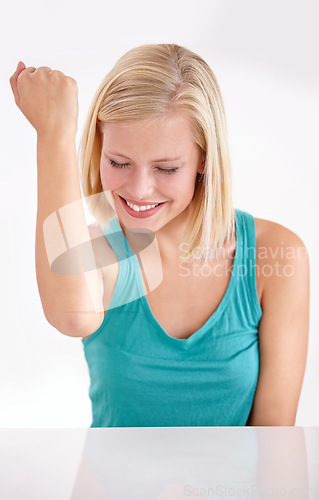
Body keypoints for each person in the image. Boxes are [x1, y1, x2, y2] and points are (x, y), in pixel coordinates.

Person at [10, 43, 310, 427]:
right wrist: (54, 133)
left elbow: (273, 443)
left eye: (166, 169)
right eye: (119, 162)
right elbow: (71, 315)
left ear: (204, 158)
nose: (138, 190)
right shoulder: (105, 253)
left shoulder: (276, 255)